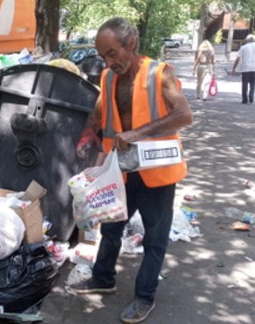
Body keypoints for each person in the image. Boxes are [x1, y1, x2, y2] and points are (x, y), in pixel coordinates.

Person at [73, 17, 192, 323]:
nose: (109, 61)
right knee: (111, 227)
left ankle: (144, 296)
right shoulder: (108, 77)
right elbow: (100, 112)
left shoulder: (159, 73)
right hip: (122, 171)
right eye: (103, 56)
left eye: (113, 53)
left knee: (155, 238)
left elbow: (184, 115)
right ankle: (103, 278)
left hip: (157, 173)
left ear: (131, 44)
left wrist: (137, 134)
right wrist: (88, 138)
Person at [231, 34, 255, 104]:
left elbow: (238, 58)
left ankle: (244, 99)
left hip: (245, 67)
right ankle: (251, 96)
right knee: (252, 82)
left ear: (247, 40)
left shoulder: (244, 47)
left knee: (245, 83)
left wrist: (234, 68)